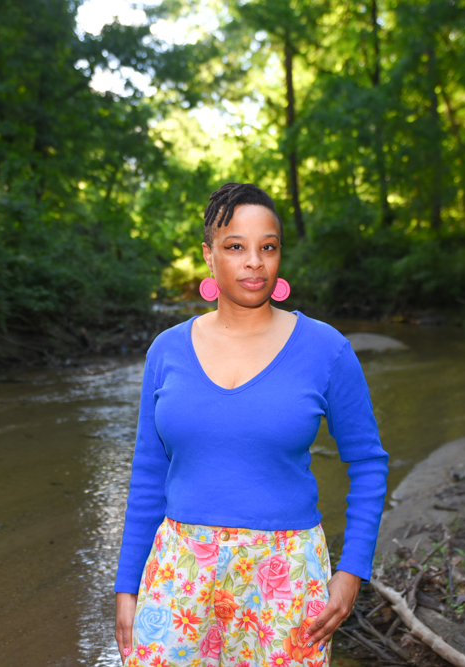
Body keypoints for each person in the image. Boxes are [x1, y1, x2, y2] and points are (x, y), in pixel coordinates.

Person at [114, 182, 389, 666]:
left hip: (285, 577)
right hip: (180, 575)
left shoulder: (326, 350)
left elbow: (368, 463)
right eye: (235, 247)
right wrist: (127, 587)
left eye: (268, 247)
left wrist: (350, 574)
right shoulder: (167, 351)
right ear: (209, 255)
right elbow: (147, 475)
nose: (254, 262)